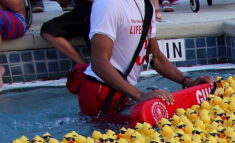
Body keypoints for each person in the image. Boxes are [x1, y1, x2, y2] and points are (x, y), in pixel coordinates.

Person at [78, 0, 211, 117]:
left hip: (124, 92)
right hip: (99, 93)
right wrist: (139, 95)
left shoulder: (147, 6)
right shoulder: (109, 4)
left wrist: (188, 82)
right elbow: (99, 62)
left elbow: (156, 58)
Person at [41, 0, 93, 64]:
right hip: (81, 13)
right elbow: (64, 2)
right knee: (48, 29)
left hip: (98, 12)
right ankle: (83, 66)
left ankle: (91, 66)